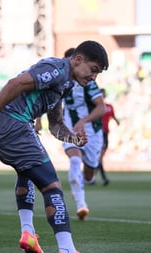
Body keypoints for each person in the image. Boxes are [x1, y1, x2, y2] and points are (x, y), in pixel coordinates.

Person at [0, 40, 108, 253]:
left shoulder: (65, 83)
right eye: (93, 70)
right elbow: (14, 84)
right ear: (78, 60)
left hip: (7, 125)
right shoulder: (57, 70)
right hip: (12, 124)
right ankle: (68, 252)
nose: (93, 78)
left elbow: (55, 125)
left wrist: (73, 138)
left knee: (26, 172)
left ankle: (28, 233)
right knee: (51, 185)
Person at [61, 47, 106, 221]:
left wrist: (83, 121)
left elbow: (101, 107)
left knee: (89, 174)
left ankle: (78, 183)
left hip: (92, 132)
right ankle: (81, 204)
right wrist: (39, 120)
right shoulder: (60, 81)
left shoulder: (89, 82)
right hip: (70, 130)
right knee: (74, 160)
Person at [98, 88, 120, 186]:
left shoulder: (109, 107)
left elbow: (113, 117)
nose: (102, 96)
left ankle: (89, 177)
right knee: (99, 157)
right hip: (97, 133)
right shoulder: (95, 106)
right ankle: (103, 178)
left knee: (99, 157)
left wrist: (117, 121)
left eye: (103, 94)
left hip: (105, 133)